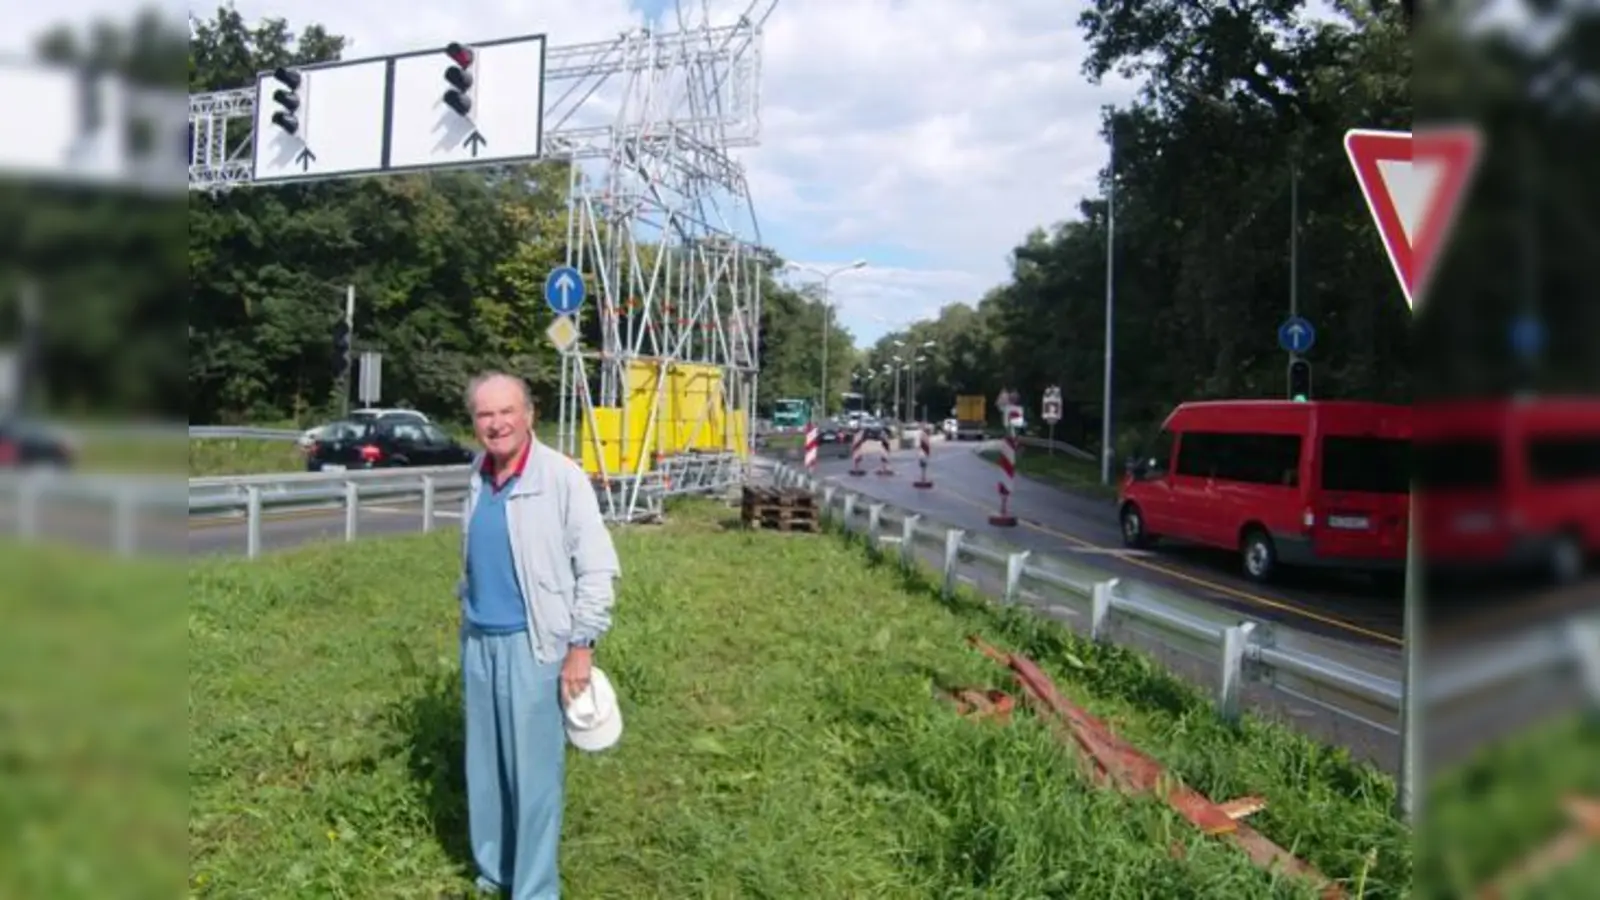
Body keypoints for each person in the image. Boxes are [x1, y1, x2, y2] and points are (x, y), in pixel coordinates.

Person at [457, 371, 621, 898]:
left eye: (507, 411)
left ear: (530, 415)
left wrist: (581, 646)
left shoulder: (560, 477)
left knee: (533, 778)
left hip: (538, 645)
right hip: (479, 641)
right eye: (485, 414)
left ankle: (533, 890)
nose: (497, 423)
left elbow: (596, 567)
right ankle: (493, 873)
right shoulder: (478, 473)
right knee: (485, 771)